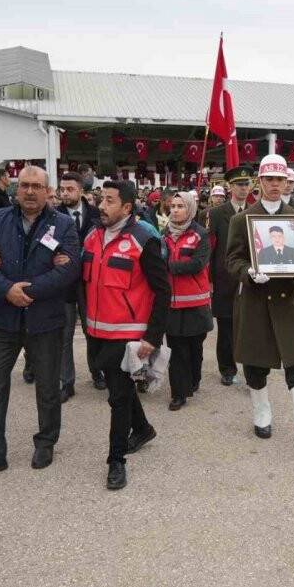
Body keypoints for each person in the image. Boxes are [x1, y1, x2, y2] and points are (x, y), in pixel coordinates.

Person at [0, 167, 79, 479]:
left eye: (37, 186)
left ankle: (45, 442)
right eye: (25, 185)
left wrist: (25, 291)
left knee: (47, 386)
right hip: (3, 318)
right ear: (17, 190)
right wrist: (6, 290)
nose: (30, 191)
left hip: (45, 319)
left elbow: (69, 269)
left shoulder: (64, 224)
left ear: (48, 191)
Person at [226, 154, 294, 440]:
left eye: (279, 179)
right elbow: (232, 260)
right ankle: (262, 413)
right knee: (256, 362)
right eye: (269, 179)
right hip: (256, 300)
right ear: (260, 181)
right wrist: (248, 272)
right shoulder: (241, 219)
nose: (274, 184)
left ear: (286, 183)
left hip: (286, 300)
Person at [81, 180, 170, 490]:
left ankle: (116, 460)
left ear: (127, 208)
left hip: (128, 335)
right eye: (100, 199)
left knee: (117, 397)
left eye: (109, 201)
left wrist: (152, 338)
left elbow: (163, 291)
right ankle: (143, 428)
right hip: (96, 332)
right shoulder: (92, 236)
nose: (101, 206)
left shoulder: (144, 239)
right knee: (121, 390)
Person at [55, 171, 104, 399]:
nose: (65, 193)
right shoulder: (52, 216)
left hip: (90, 283)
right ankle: (67, 381)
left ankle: (97, 372)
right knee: (63, 336)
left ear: (81, 191)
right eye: (62, 189)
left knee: (92, 331)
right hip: (62, 284)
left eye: (70, 189)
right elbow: (44, 244)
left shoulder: (97, 215)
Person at [164, 191, 213, 411]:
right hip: (172, 304)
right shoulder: (163, 234)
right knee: (176, 349)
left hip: (195, 304)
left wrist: (168, 267)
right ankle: (178, 393)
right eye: (172, 206)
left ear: (190, 209)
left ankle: (194, 380)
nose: (174, 210)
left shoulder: (200, 234)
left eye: (180, 206)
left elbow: (197, 264)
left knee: (194, 347)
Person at [208, 166, 252, 386]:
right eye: (238, 184)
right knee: (225, 327)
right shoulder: (216, 213)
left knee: (249, 327)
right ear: (229, 187)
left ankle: (251, 370)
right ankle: (227, 369)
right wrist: (208, 280)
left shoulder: (255, 211)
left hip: (250, 278)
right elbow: (210, 248)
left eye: (246, 184)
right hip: (224, 278)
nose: (243, 188)